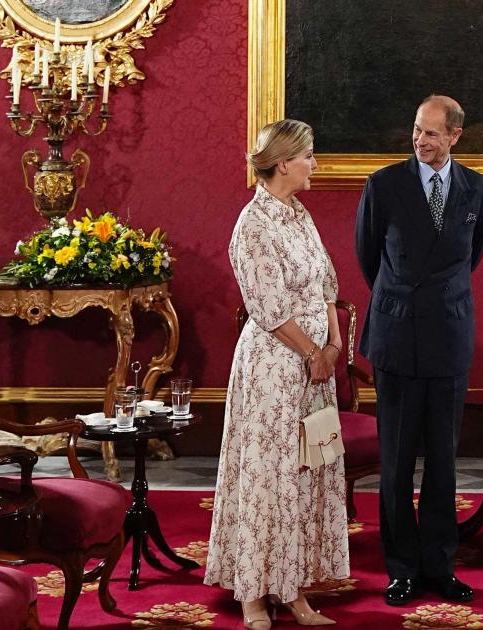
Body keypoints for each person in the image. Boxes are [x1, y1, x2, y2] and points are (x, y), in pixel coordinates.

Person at [205, 119, 349, 630]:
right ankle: (253, 597)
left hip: (316, 366)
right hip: (274, 368)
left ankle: (295, 590)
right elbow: (267, 307)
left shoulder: (298, 214)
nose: (315, 164)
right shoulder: (254, 225)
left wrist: (333, 347)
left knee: (307, 475)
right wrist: (314, 352)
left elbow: (327, 285)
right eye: (309, 155)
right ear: (284, 162)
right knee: (270, 478)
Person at [354, 95, 483, 606]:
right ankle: (402, 569)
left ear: (456, 136)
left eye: (432, 133)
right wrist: (401, 303)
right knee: (394, 463)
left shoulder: (479, 189)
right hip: (395, 336)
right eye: (417, 130)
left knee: (443, 462)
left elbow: (471, 257)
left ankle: (440, 565)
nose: (420, 140)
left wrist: (436, 304)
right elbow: (369, 257)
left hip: (449, 338)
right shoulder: (384, 185)